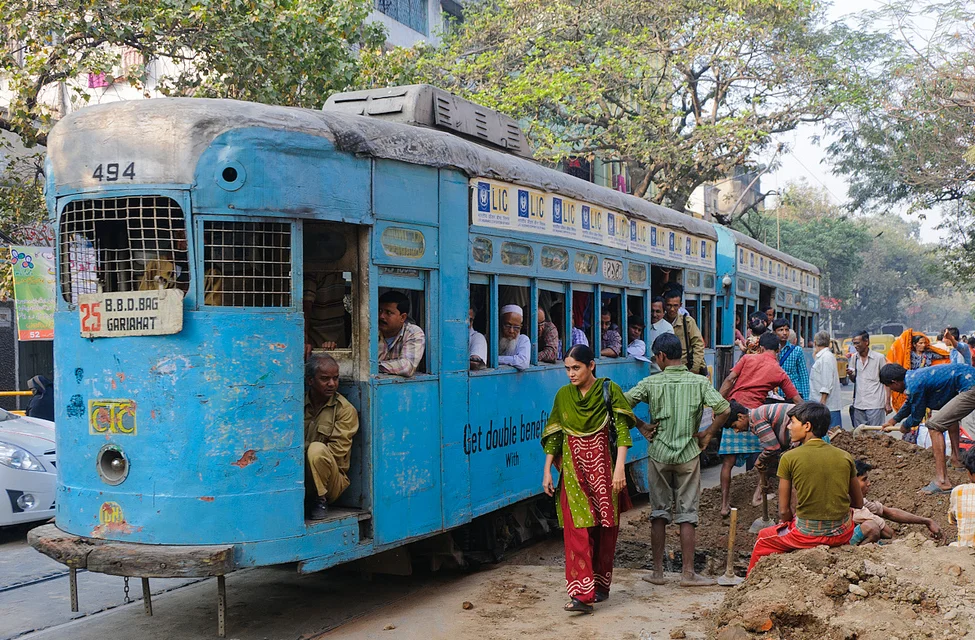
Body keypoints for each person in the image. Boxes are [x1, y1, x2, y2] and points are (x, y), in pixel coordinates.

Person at [624, 333, 731, 587]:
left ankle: (658, 573)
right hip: (688, 454)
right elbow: (725, 409)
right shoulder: (699, 382)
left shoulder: (651, 383)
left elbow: (620, 403)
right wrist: (708, 433)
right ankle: (688, 574)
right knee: (688, 514)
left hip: (659, 454)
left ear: (661, 356)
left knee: (658, 513)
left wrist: (641, 425)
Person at [541, 344, 635, 613]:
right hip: (573, 473)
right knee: (577, 530)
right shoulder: (563, 396)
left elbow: (622, 432)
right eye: (567, 369)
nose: (571, 374)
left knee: (605, 530)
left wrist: (620, 469)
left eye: (576, 368)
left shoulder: (609, 390)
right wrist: (547, 470)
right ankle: (582, 595)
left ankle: (600, 586)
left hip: (605, 472)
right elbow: (555, 437)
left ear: (591, 365)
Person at [747, 403, 862, 574]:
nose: (788, 427)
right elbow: (858, 503)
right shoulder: (845, 457)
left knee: (763, 538)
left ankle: (750, 584)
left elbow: (784, 511)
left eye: (792, 422)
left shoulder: (789, 458)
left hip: (807, 535)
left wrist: (789, 522)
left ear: (807, 426)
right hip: (842, 533)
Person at [717, 332, 804, 516]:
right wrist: (812, 416)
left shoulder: (747, 358)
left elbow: (729, 380)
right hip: (756, 418)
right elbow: (796, 399)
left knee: (728, 462)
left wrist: (718, 406)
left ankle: (724, 505)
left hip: (733, 412)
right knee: (767, 457)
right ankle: (757, 496)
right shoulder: (779, 371)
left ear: (761, 348)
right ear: (778, 350)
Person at [881, 363, 975, 494]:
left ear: (894, 382)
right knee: (948, 417)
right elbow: (910, 402)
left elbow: (917, 416)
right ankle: (956, 459)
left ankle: (942, 481)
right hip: (968, 380)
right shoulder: (913, 378)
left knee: (933, 426)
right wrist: (893, 420)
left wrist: (905, 425)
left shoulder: (914, 384)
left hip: (970, 386)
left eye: (890, 386)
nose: (892, 390)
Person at [304, 353, 359, 520]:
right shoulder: (296, 404)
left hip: (331, 482)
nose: (332, 384)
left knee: (317, 450)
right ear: (310, 381)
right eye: (325, 379)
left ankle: (320, 500)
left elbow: (336, 452)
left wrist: (303, 449)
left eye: (335, 378)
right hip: (299, 474)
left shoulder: (345, 410)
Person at [850, 460, 942, 545]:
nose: (868, 483)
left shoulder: (860, 501)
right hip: (844, 543)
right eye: (864, 479)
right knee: (871, 527)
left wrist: (927, 521)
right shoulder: (847, 504)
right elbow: (885, 532)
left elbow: (890, 513)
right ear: (852, 482)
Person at [848, 330, 891, 429]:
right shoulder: (854, 358)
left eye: (858, 343)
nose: (855, 346)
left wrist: (887, 402)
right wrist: (850, 375)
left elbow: (887, 382)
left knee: (876, 434)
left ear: (866, 342)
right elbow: (854, 380)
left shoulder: (879, 358)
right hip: (859, 404)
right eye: (854, 343)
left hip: (875, 404)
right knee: (859, 434)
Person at [378, 291, 425, 377]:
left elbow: (406, 367)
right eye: (380, 310)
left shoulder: (412, 332)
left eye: (388, 312)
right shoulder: (369, 332)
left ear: (403, 317)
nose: (381, 316)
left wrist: (373, 367)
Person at [662, 287, 707, 376]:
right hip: (666, 370)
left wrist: (695, 368)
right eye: (669, 305)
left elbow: (698, 344)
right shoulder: (661, 322)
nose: (672, 309)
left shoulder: (687, 322)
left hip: (686, 368)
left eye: (675, 305)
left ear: (680, 305)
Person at [304, 271, 348, 356]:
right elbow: (306, 305)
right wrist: (304, 340)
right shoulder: (314, 271)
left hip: (337, 333)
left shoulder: (339, 270)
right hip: (316, 335)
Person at [810, 331, 842, 429]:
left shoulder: (826, 357)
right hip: (823, 405)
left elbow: (827, 382)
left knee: (832, 433)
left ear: (815, 342)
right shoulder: (823, 356)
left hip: (827, 406)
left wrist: (823, 400)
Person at [774, 318, 809, 401]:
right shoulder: (771, 350)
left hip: (793, 395)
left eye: (787, 330)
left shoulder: (797, 351)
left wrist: (806, 399)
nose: (784, 333)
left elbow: (803, 376)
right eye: (781, 330)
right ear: (774, 332)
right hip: (775, 395)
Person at [948, 449, 975, 547]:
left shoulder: (958, 491)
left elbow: (952, 520)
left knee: (952, 546)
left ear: (969, 473)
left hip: (965, 548)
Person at [499, 304, 530, 370]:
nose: (511, 331)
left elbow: (523, 362)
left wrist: (496, 359)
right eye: (507, 325)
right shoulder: (490, 339)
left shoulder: (523, 340)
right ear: (501, 324)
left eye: (516, 327)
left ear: (521, 327)